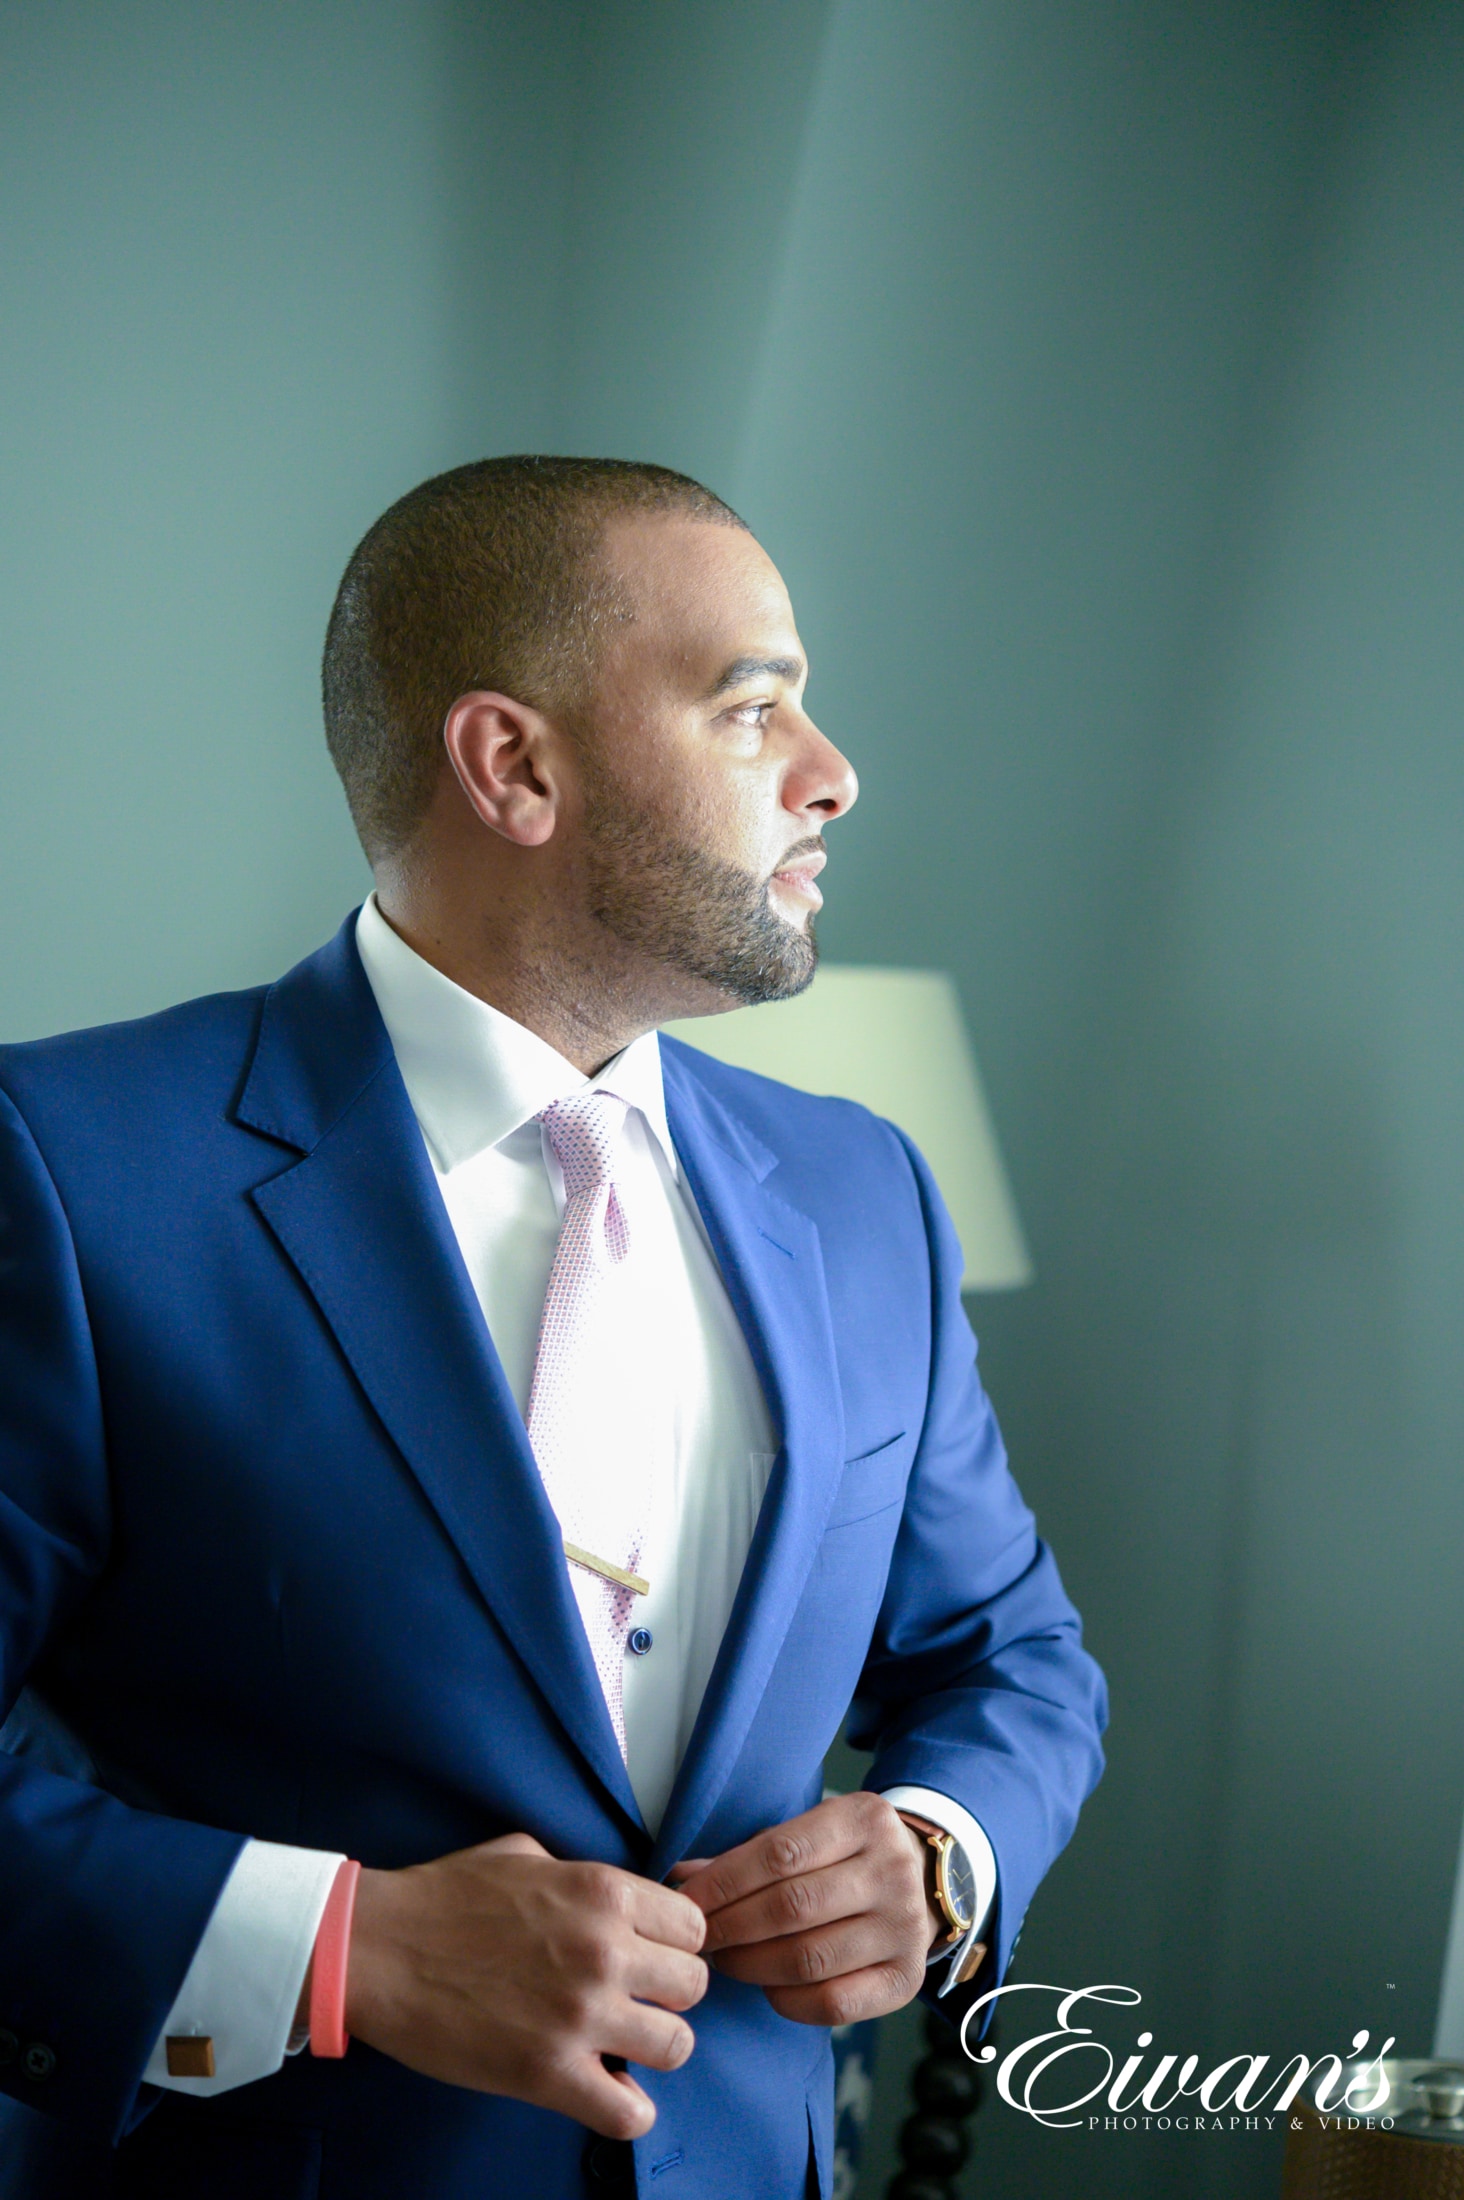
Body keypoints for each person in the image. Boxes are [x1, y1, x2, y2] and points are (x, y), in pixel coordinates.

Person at [0, 457, 1106, 2198]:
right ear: (514, 766)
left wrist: (940, 1849)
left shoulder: (866, 1191)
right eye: (755, 713)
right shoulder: (66, 1170)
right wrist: (343, 1949)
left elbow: (1013, 1657)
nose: (833, 776)